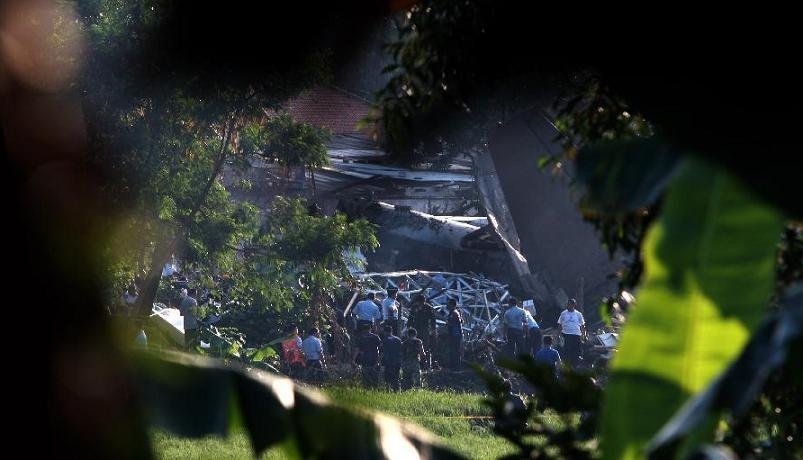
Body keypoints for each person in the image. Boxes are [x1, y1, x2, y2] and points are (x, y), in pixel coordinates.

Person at [557, 298, 586, 367]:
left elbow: (582, 325)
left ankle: (575, 365)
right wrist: (558, 335)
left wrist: (584, 335)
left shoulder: (578, 314)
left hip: (576, 335)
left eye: (569, 304)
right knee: (566, 351)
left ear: (573, 305)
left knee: (576, 352)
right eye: (567, 304)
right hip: (566, 335)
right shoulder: (563, 313)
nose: (567, 305)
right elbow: (560, 325)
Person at [380, 325, 402, 391]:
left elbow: (382, 352)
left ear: (385, 332)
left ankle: (388, 389)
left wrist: (379, 361)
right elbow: (401, 351)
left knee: (387, 377)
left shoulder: (384, 340)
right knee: (396, 376)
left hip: (388, 361)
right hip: (397, 361)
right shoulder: (398, 339)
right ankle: (397, 390)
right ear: (391, 331)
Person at [445, 298, 463, 370]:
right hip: (454, 335)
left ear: (452, 304)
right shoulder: (452, 313)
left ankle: (456, 367)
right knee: (453, 351)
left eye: (448, 304)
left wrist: (448, 323)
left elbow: (456, 323)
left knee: (455, 351)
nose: (447, 305)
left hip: (455, 335)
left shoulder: (454, 313)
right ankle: (453, 366)